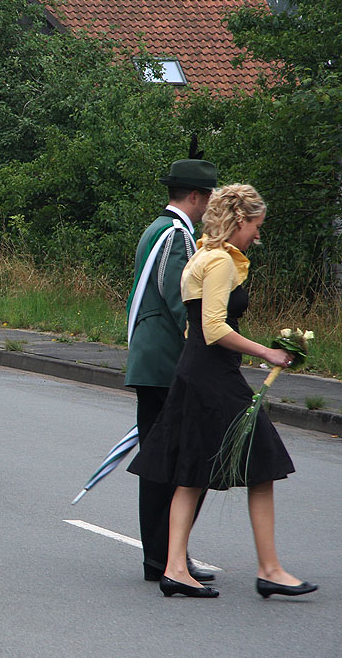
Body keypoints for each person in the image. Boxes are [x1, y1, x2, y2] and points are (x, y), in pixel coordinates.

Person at [128, 184, 316, 599]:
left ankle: (176, 567)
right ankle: (268, 569)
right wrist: (267, 352)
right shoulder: (220, 262)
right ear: (238, 220)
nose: (257, 235)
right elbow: (213, 328)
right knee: (262, 465)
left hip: (196, 371)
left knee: (191, 471)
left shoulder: (202, 254)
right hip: (213, 376)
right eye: (255, 225)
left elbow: (193, 325)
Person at [125, 158, 216, 584]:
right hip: (166, 362)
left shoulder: (157, 227)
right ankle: (167, 557)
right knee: (178, 463)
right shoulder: (176, 234)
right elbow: (180, 296)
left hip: (151, 359)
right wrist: (207, 346)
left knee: (159, 461)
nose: (211, 203)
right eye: (210, 195)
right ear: (196, 196)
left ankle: (160, 556)